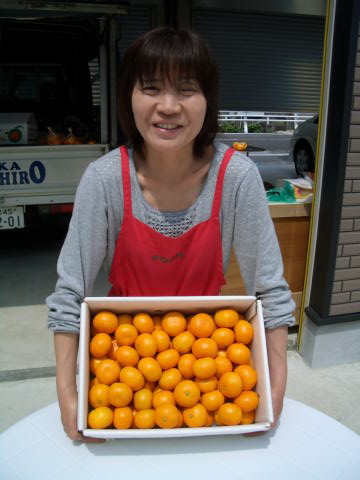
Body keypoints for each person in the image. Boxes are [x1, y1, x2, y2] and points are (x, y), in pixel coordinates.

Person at [47, 26, 295, 441]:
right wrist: (67, 392)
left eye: (186, 89)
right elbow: (69, 291)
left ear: (208, 101)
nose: (168, 106)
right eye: (151, 88)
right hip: (119, 361)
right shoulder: (106, 179)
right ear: (129, 96)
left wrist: (274, 389)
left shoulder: (236, 177)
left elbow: (270, 290)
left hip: (206, 363)